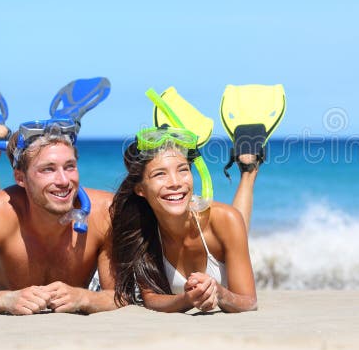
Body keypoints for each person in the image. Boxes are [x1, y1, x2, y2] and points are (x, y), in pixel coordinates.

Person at [0, 76, 116, 315]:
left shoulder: (104, 211)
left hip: (80, 294)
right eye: (48, 169)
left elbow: (121, 296)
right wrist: (5, 300)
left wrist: (84, 298)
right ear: (20, 178)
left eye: (70, 166)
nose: (64, 181)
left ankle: (58, 130)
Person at [110, 127, 259, 313]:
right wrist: (187, 299)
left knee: (236, 221)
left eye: (183, 170)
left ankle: (249, 170)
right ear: (140, 190)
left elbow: (249, 302)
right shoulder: (141, 229)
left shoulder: (224, 220)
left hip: (221, 222)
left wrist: (219, 293)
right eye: (160, 174)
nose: (175, 182)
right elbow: (150, 299)